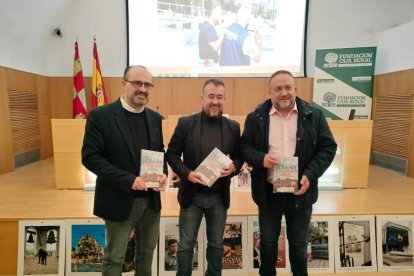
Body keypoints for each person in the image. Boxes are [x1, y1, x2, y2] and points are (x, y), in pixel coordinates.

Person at [240, 70, 337, 276]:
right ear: (269, 92)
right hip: (268, 194)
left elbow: (328, 148)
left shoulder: (314, 116)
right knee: (267, 244)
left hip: (301, 193)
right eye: (278, 89)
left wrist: (310, 174)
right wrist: (261, 158)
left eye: (288, 87)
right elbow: (244, 146)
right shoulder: (255, 117)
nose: (283, 93)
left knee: (299, 246)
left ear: (295, 89)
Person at [82, 65, 167, 276]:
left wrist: (163, 173)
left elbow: (159, 151)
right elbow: (90, 157)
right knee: (114, 258)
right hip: (118, 199)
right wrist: (128, 179)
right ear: (124, 84)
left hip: (151, 201)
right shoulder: (100, 116)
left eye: (147, 84)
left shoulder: (155, 118)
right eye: (137, 83)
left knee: (146, 255)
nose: (143, 89)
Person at [166, 78, 242, 276]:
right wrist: (187, 174)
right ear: (202, 98)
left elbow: (241, 155)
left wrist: (234, 166)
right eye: (210, 97)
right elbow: (172, 154)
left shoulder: (233, 126)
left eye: (219, 97)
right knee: (185, 245)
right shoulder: (185, 124)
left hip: (219, 197)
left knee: (216, 245)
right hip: (192, 196)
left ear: (224, 99)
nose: (215, 101)